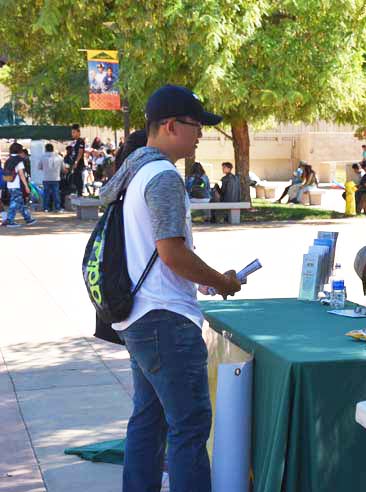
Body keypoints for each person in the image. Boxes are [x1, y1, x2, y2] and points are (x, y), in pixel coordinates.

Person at [100, 84, 241, 491]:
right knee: (190, 427)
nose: (201, 135)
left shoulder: (135, 171)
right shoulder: (162, 176)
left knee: (149, 420)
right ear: (169, 125)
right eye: (196, 125)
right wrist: (221, 281)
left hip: (139, 315)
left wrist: (204, 280)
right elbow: (171, 253)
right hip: (164, 320)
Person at [2, 142, 36, 227]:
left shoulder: (8, 160)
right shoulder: (19, 161)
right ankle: (10, 221)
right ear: (19, 151)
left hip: (9, 184)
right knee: (14, 203)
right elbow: (21, 175)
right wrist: (26, 186)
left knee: (20, 203)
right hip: (16, 185)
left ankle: (28, 219)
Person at [38, 143, 63, 212]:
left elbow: (39, 167)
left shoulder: (42, 157)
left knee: (46, 194)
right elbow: (62, 168)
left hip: (46, 178)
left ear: (45, 149)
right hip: (56, 178)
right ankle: (57, 207)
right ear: (53, 149)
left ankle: (46, 207)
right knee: (56, 193)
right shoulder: (59, 157)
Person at [70, 124, 86, 196]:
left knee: (79, 178)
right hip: (74, 163)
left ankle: (80, 193)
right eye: (72, 132)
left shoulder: (81, 141)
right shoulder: (75, 142)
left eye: (74, 132)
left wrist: (76, 161)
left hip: (79, 164)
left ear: (78, 132)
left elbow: (80, 152)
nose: (72, 134)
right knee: (75, 178)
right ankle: (76, 192)